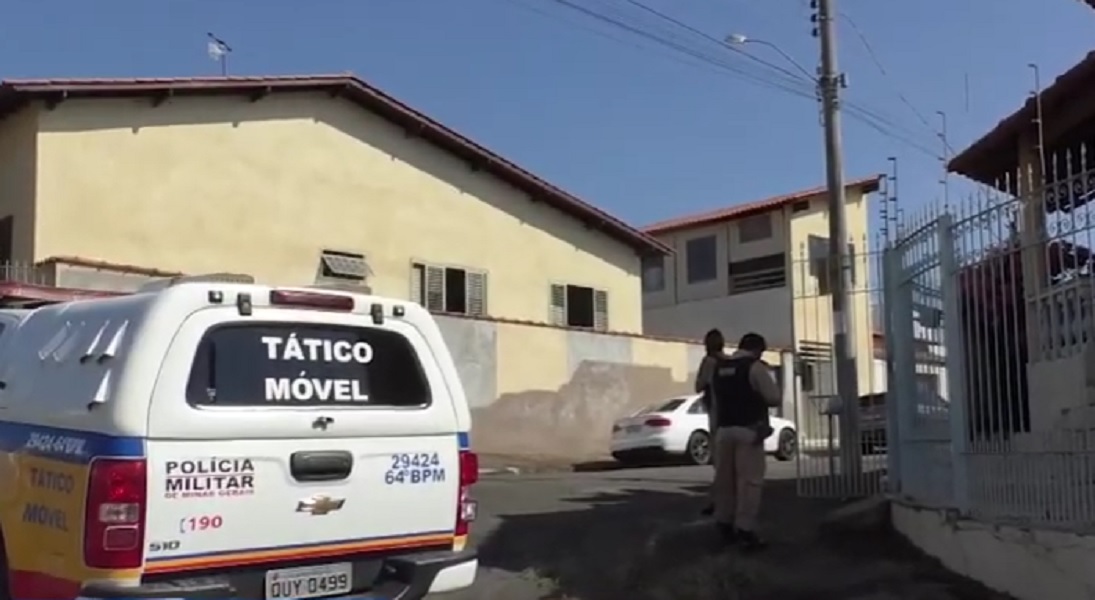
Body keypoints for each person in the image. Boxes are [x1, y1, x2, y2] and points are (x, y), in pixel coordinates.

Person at [709, 332, 781, 551]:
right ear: (757, 350)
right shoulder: (754, 367)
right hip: (749, 431)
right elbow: (773, 398)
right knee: (749, 482)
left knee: (725, 481)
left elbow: (715, 402)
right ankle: (745, 529)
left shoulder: (719, 368)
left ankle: (724, 523)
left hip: (723, 430)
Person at [694, 329, 725, 517]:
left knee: (720, 463)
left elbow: (698, 386)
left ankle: (718, 501)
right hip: (733, 416)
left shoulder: (709, 362)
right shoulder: (729, 361)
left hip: (716, 415)